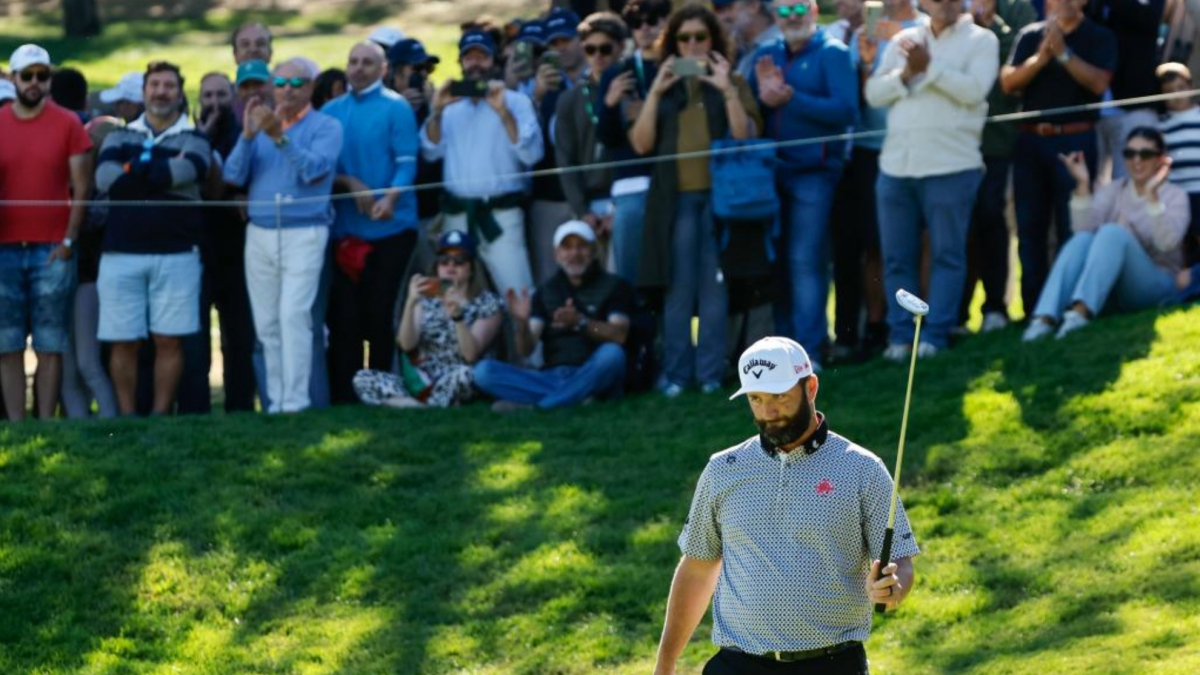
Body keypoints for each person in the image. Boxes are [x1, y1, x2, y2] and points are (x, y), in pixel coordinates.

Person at [653, 336, 919, 675]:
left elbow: (900, 560)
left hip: (832, 664)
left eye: (780, 396)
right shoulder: (723, 470)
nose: (769, 412)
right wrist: (665, 663)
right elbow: (697, 568)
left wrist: (894, 588)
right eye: (756, 399)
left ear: (810, 387)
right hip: (738, 664)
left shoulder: (862, 469)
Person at [631, 3, 761, 396]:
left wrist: (726, 89)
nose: (692, 46)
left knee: (714, 291)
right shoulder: (660, 84)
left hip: (723, 201)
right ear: (672, 43)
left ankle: (709, 375)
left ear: (713, 40)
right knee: (677, 290)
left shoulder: (731, 79)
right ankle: (675, 375)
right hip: (674, 204)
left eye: (699, 38)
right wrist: (656, 92)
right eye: (683, 38)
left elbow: (746, 136)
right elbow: (640, 144)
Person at [865, 0, 999, 360]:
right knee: (896, 259)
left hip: (952, 167)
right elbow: (874, 93)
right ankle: (900, 337)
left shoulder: (982, 40)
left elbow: (974, 91)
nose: (948, 3)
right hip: (896, 167)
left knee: (947, 255)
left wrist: (930, 68)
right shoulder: (905, 40)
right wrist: (907, 75)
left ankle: (935, 336)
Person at [223, 59, 343, 413]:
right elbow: (232, 175)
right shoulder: (258, 125)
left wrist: (280, 137)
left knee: (293, 314)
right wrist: (247, 136)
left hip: (304, 230)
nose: (288, 89)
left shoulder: (327, 126)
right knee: (267, 321)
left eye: (297, 82)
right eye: (281, 82)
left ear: (310, 88)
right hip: (259, 232)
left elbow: (315, 172)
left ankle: (297, 401)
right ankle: (276, 401)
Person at [94, 61, 212, 416]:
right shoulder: (118, 135)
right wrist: (160, 171)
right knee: (123, 341)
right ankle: (129, 418)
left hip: (177, 254)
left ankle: (160, 416)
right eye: (155, 85)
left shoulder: (195, 138)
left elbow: (192, 169)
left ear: (180, 93)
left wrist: (132, 170)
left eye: (169, 86)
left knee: (169, 339)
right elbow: (105, 179)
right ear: (144, 92)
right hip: (121, 254)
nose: (161, 92)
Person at [750, 0, 858, 370]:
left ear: (813, 10)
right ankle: (783, 353)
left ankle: (810, 351)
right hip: (769, 174)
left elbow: (847, 111)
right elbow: (754, 112)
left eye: (799, 7)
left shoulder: (834, 53)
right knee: (777, 262)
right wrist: (762, 97)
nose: (792, 16)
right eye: (784, 10)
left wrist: (792, 98)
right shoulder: (765, 55)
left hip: (815, 172)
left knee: (804, 260)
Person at [1000, 0, 1116, 316]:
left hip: (1075, 140)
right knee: (1029, 228)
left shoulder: (1098, 36)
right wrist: (1042, 57)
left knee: (1073, 226)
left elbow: (1099, 83)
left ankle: (1070, 305)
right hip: (1030, 141)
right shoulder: (1030, 35)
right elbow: (1009, 82)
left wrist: (1064, 54)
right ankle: (1034, 309)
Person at [322, 42, 421, 405]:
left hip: (392, 229)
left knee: (380, 314)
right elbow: (324, 173)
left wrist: (389, 198)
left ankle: (382, 392)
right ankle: (345, 397)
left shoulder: (396, 108)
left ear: (383, 69)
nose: (358, 68)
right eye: (353, 61)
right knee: (345, 319)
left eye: (367, 63)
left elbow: (407, 162)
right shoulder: (331, 111)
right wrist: (349, 183)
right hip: (346, 233)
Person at [1022, 128, 1191, 340]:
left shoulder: (1176, 196)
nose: (1136, 160)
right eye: (1130, 154)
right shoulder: (1114, 189)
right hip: (1114, 286)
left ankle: (1080, 314)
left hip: (1156, 285)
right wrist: (1082, 184)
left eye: (1145, 154)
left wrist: (1152, 195)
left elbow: (1166, 244)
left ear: (1160, 160)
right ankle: (1044, 319)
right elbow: (1082, 233)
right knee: (1084, 240)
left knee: (1113, 233)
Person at [0, 44, 93, 420]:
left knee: (50, 343)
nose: (35, 82)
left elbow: (82, 187)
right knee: (6, 344)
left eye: (42, 75)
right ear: (13, 78)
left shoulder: (68, 122)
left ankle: (44, 424)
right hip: (3, 249)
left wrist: (69, 242)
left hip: (52, 250)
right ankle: (17, 426)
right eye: (28, 75)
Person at [833, 0, 926, 362]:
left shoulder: (926, 27)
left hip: (918, 145)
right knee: (875, 244)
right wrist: (866, 61)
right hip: (869, 149)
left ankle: (918, 322)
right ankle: (877, 325)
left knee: (918, 242)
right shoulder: (862, 32)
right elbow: (861, 94)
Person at [421, 29, 544, 297]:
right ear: (461, 63)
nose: (476, 64)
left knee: (519, 294)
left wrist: (503, 113)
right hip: (458, 215)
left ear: (494, 61)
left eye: (482, 57)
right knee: (455, 296)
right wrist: (437, 111)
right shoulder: (449, 104)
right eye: (469, 58)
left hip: (501, 215)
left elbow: (532, 155)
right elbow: (430, 151)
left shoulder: (516, 101)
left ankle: (528, 340)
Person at [473, 221, 632, 410]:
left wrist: (582, 322)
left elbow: (619, 335)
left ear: (593, 250)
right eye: (567, 247)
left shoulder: (613, 286)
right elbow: (526, 349)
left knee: (613, 355)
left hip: (593, 369)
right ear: (557, 254)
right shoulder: (546, 291)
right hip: (553, 373)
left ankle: (541, 406)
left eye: (582, 246)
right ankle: (578, 397)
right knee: (483, 372)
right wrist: (522, 324)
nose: (575, 254)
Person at [354, 231, 504, 408]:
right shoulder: (426, 299)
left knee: (465, 374)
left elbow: (470, 356)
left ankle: (410, 405)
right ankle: (423, 405)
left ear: (471, 268)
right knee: (363, 378)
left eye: (459, 261)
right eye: (444, 260)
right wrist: (410, 302)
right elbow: (406, 345)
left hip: (456, 377)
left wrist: (457, 317)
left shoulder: (488, 302)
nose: (450, 266)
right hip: (421, 381)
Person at [959, 0, 1038, 334]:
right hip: (952, 140)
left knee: (992, 217)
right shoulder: (943, 8)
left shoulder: (1017, 8)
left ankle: (995, 307)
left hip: (996, 138)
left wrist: (994, 27)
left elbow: (1017, 62)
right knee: (959, 228)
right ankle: (957, 315)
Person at [191, 71, 258, 414]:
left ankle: (241, 409)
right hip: (198, 252)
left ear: (231, 97)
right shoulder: (190, 136)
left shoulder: (244, 135)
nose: (214, 103)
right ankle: (197, 410)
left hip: (237, 252)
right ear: (198, 100)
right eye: (207, 97)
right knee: (197, 341)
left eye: (220, 95)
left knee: (239, 340)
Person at [595, 0, 670, 281]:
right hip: (632, 185)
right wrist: (611, 104)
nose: (645, 28)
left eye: (652, 20)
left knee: (672, 278)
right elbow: (606, 138)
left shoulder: (682, 67)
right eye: (636, 23)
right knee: (630, 279)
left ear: (666, 21)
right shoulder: (617, 73)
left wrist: (652, 110)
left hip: (677, 182)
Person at [553, 12, 626, 272]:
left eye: (605, 49)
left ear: (620, 47)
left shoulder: (636, 88)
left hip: (628, 198)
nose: (598, 56)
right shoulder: (570, 99)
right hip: (590, 205)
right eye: (590, 49)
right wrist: (583, 211)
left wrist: (619, 210)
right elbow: (566, 159)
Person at [60, 116, 120, 419]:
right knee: (68, 369)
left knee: (87, 363)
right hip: (64, 278)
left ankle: (111, 424)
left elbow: (89, 224)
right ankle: (79, 432)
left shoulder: (105, 190)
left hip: (89, 282)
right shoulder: (70, 182)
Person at [1086, 0, 1165, 182]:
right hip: (1089, 108)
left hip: (1134, 105)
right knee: (1086, 191)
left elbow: (1147, 17)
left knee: (1132, 190)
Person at [1157, 62, 1200, 264]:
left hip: (1199, 189)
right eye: (1168, 92)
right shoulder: (1161, 124)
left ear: (1190, 87)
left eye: (1180, 88)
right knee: (1183, 243)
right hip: (1176, 194)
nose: (1176, 95)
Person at [713, 0, 783, 80]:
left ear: (753, 6)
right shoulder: (742, 49)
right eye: (718, 10)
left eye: (729, 7)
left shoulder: (782, 46)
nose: (722, 17)